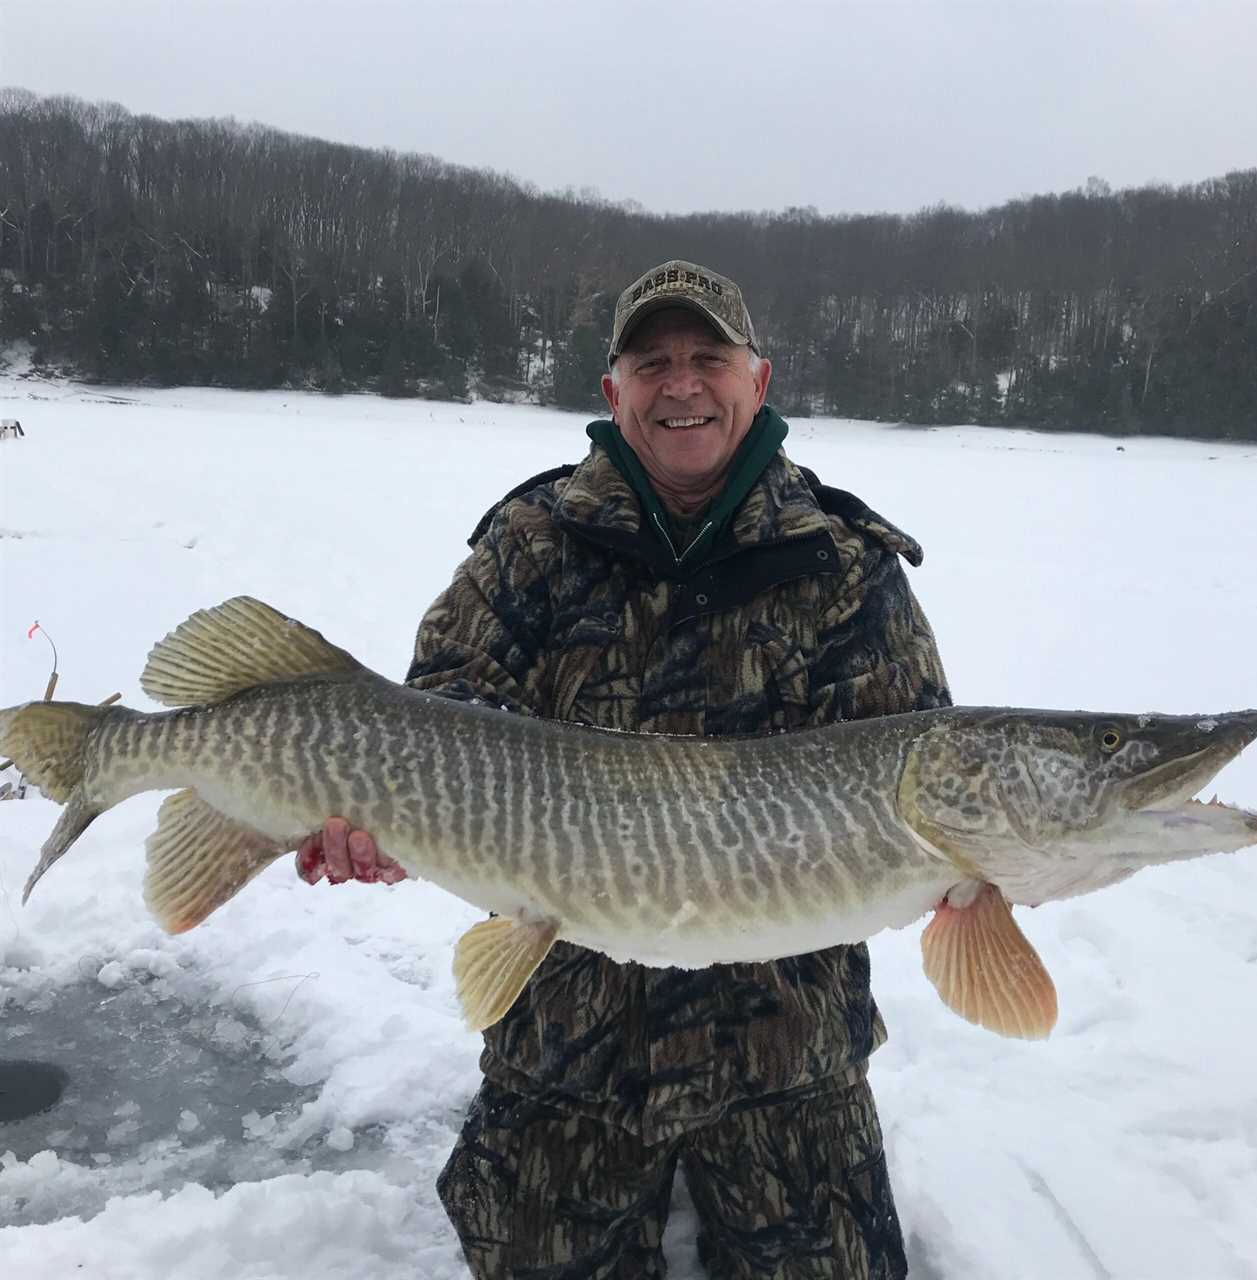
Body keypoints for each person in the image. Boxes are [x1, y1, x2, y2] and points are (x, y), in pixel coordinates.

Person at [296, 260, 951, 1278]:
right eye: (652, 362)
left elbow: (913, 757)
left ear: (757, 379)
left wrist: (995, 858)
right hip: (566, 1045)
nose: (680, 384)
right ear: (613, 393)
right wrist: (381, 819)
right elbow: (438, 712)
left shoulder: (842, 564)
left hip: (786, 1052)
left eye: (707, 358)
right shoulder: (530, 543)